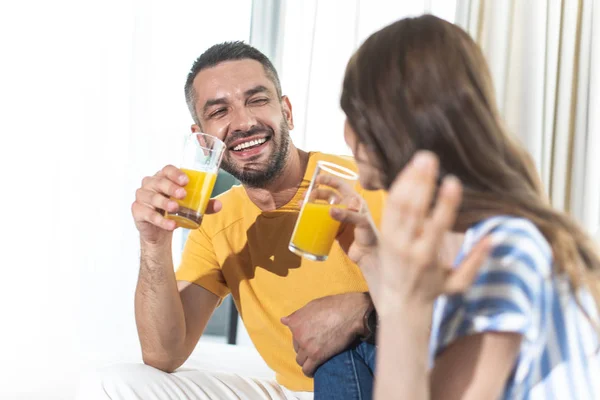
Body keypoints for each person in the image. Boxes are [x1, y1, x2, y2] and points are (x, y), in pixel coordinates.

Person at [76, 41, 384, 399]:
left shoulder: (367, 183)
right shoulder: (217, 220)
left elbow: (456, 292)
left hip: (386, 381)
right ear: (203, 139)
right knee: (112, 384)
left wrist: (361, 308)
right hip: (293, 392)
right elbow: (164, 354)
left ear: (286, 111)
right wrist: (153, 243)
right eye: (220, 111)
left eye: (257, 100)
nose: (244, 122)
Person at [328, 14, 600, 399]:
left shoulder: (500, 251)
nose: (346, 133)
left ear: (387, 125)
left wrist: (406, 306)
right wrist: (373, 258)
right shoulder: (486, 240)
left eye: (351, 115)